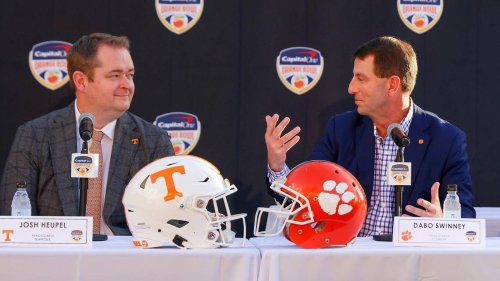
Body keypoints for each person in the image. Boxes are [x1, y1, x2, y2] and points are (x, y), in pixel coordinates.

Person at [264, 36, 475, 236]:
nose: (351, 88)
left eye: (361, 79)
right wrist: (278, 167)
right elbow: (304, 199)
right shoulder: (341, 129)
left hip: (410, 260)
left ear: (392, 85)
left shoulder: (446, 139)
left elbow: (465, 217)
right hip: (350, 256)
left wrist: (442, 222)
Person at [0, 33, 174, 235]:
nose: (127, 85)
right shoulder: (35, 135)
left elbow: (168, 222)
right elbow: (15, 222)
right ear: (81, 81)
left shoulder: (153, 141)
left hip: (127, 261)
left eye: (130, 75)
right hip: (56, 260)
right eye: (115, 75)